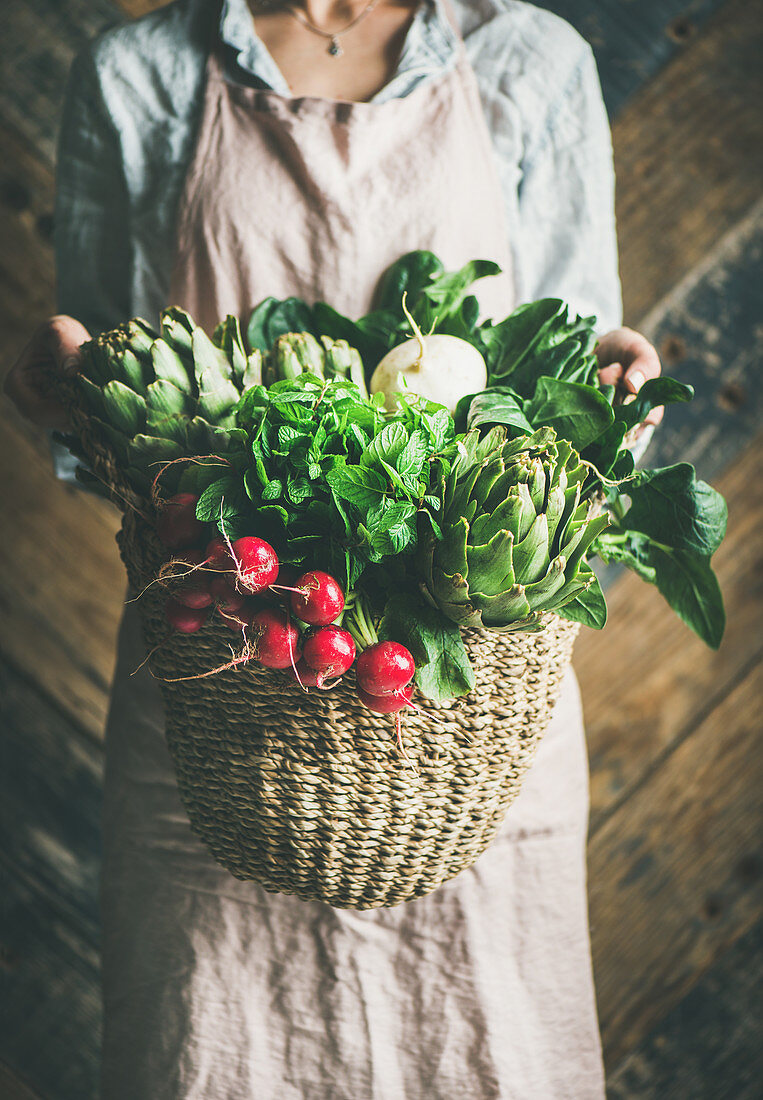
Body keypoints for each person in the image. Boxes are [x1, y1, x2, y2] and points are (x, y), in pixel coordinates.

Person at [5, 1, 664, 1096]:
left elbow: (570, 383)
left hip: (468, 707)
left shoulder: (532, 63)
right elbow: (115, 425)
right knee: (211, 1052)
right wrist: (63, 394)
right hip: (224, 672)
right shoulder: (134, 76)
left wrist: (615, 397)